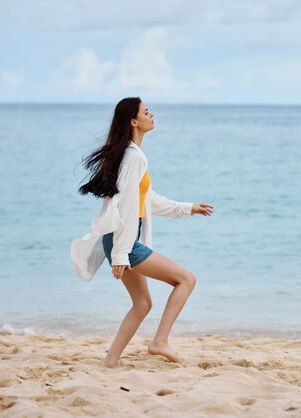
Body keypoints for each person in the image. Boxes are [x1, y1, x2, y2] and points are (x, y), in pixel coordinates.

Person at [71, 97, 214, 368]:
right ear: (134, 121)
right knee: (186, 280)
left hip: (119, 239)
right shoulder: (134, 156)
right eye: (146, 112)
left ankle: (110, 361)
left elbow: (147, 200)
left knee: (142, 304)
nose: (152, 114)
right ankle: (160, 342)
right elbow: (125, 206)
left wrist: (188, 208)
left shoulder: (130, 153)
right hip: (122, 240)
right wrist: (121, 254)